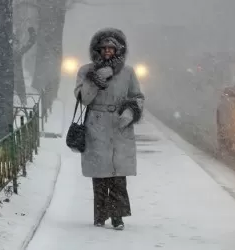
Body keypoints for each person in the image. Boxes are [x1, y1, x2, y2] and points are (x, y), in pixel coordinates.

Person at [74, 28, 144, 230]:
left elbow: (137, 96)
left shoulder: (128, 72)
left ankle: (117, 216)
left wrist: (130, 113)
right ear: (97, 49)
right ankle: (100, 215)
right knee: (100, 173)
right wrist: (96, 80)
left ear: (118, 50)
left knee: (117, 173)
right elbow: (83, 98)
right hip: (95, 124)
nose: (107, 51)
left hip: (120, 126)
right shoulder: (86, 71)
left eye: (111, 48)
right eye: (104, 48)